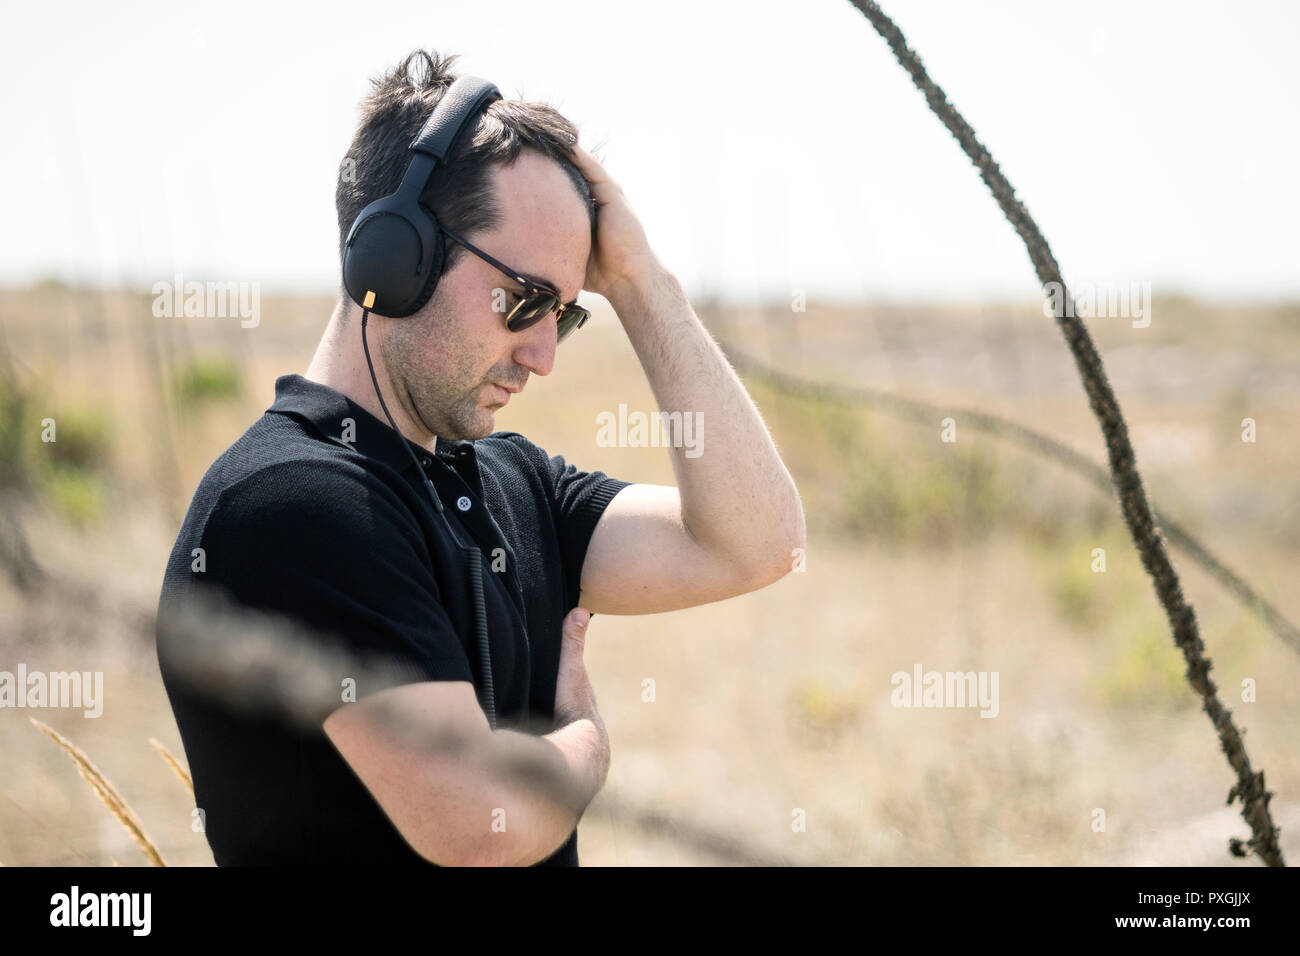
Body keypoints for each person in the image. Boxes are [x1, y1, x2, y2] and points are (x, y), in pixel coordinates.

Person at [155, 49, 805, 867]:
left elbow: (758, 541)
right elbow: (482, 824)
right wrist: (584, 747)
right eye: (524, 300)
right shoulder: (292, 502)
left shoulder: (511, 482)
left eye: (564, 316)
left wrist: (641, 281)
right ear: (394, 262)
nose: (543, 355)